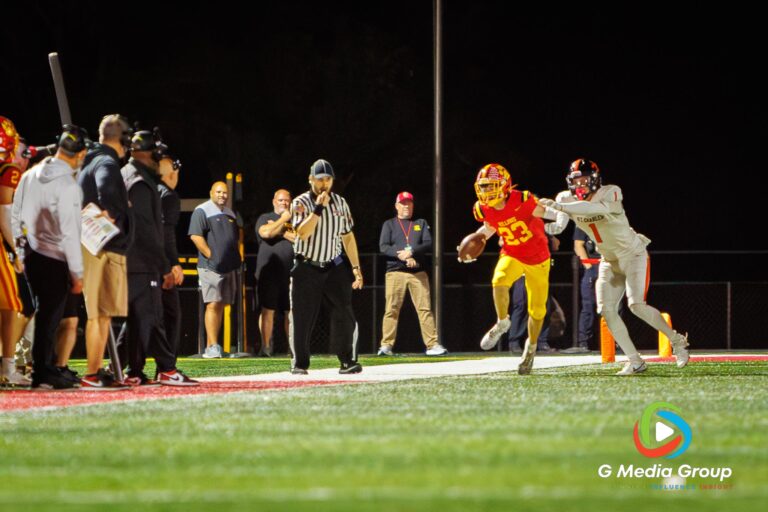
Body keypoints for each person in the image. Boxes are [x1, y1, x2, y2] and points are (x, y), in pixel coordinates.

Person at [539, 158, 690, 375]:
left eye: (584, 179)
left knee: (636, 305)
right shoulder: (565, 198)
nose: (580, 184)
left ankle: (677, 341)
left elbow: (590, 209)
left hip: (633, 254)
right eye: (576, 180)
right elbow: (558, 224)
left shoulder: (611, 192)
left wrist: (561, 207)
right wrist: (538, 222)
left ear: (595, 179)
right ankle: (635, 361)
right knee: (606, 310)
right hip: (608, 259)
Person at [120, 131, 197, 386]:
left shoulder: (130, 176)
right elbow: (148, 229)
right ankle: (165, 367)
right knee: (151, 316)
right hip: (142, 262)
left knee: (139, 318)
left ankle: (132, 370)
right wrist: (166, 265)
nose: (158, 157)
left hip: (132, 259)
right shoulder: (141, 182)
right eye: (155, 152)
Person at [11, 125, 86, 389]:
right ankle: (42, 370)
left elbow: (15, 214)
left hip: (31, 252)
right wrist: (77, 273)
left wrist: (19, 250)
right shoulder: (67, 184)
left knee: (42, 314)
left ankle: (41, 367)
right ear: (81, 152)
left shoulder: (30, 174)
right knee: (48, 316)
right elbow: (70, 231)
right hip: (54, 255)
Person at [459, 163, 549, 375]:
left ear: (504, 186)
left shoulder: (523, 200)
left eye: (491, 186)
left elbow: (549, 213)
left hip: (537, 258)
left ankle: (531, 348)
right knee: (499, 280)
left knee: (536, 311)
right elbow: (489, 227)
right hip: (513, 254)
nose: (486, 192)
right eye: (484, 186)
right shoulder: (483, 208)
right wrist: (469, 246)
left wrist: (564, 213)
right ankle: (502, 322)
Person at [289, 158, 363, 375]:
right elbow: (302, 232)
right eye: (320, 179)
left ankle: (347, 360)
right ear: (311, 179)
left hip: (333, 265)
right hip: (307, 265)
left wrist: (356, 268)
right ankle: (300, 363)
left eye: (328, 179)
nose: (324, 184)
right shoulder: (300, 203)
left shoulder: (340, 203)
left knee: (344, 311)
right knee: (303, 316)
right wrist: (319, 207)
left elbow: (348, 237)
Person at [77, 114, 133, 389]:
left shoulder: (88, 158)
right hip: (102, 246)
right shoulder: (107, 162)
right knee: (100, 313)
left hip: (90, 245)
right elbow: (105, 189)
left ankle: (95, 369)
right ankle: (92, 372)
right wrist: (111, 214)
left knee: (100, 313)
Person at [378, 191, 446, 356]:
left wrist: (412, 253)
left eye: (409, 203)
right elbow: (384, 247)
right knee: (391, 309)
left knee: (424, 309)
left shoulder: (420, 223)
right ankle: (386, 345)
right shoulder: (389, 224)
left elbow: (428, 243)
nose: (406, 206)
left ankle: (432, 345)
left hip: (418, 272)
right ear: (396, 206)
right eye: (403, 203)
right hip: (395, 272)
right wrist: (401, 256)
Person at [188, 181, 241, 359]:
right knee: (212, 304)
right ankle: (211, 346)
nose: (222, 195)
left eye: (225, 193)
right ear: (211, 192)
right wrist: (211, 255)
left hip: (228, 267)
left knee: (221, 305)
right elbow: (195, 235)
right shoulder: (201, 210)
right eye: (218, 192)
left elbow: (236, 237)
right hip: (210, 267)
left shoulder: (230, 213)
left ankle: (216, 345)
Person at [0, 117, 30, 386]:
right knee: (11, 305)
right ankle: (7, 366)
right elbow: (5, 213)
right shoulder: (9, 169)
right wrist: (17, 249)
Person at [255, 189, 295, 357]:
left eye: (286, 201)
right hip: (269, 273)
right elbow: (266, 232)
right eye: (280, 200)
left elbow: (300, 238)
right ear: (274, 201)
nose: (284, 203)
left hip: (291, 273)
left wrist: (281, 230)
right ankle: (266, 348)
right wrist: (284, 222)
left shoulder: (296, 220)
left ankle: (292, 348)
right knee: (268, 309)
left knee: (291, 311)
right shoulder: (264, 218)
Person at [157, 155, 184, 357]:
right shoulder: (168, 195)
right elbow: (166, 232)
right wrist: (173, 263)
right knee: (171, 315)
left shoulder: (146, 189)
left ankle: (129, 366)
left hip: (138, 260)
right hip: (159, 263)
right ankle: (167, 364)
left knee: (142, 315)